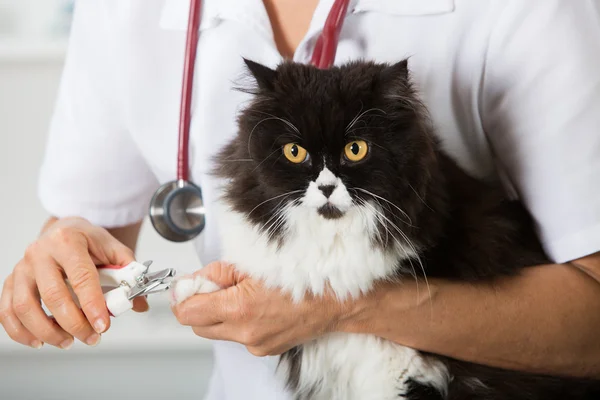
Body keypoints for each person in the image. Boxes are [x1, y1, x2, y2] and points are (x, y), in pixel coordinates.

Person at [1, 0, 600, 398]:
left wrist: (339, 305)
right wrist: (60, 260)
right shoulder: (118, 11)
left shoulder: (530, 11)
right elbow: (84, 227)